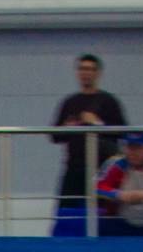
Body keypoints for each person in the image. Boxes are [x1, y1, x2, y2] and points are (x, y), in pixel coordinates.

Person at [51, 54, 129, 211]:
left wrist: (98, 124)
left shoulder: (109, 101)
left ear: (98, 73)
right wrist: (68, 127)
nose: (85, 73)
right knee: (67, 212)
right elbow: (54, 136)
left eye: (90, 69)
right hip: (74, 168)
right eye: (82, 69)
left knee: (104, 212)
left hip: (103, 169)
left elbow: (124, 132)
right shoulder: (69, 102)